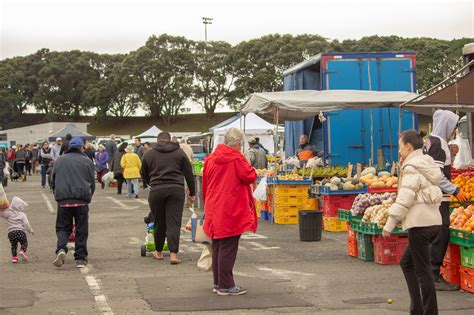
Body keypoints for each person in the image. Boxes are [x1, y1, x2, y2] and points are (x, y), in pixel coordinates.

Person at [383, 130, 442, 315]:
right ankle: (416, 308)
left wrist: (390, 223)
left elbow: (405, 198)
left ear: (409, 146)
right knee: (406, 263)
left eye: (400, 147)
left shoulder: (412, 167)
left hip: (420, 224)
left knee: (423, 272)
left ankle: (429, 311)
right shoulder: (427, 162)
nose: (399, 151)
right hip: (434, 222)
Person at [202, 128, 257, 296]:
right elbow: (250, 176)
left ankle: (218, 282)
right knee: (228, 246)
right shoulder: (236, 158)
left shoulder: (211, 158)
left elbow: (205, 183)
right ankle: (225, 285)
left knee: (218, 245)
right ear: (239, 144)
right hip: (230, 207)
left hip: (214, 205)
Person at [424, 110, 467, 291]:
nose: (453, 131)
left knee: (434, 232)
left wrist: (451, 154)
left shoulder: (430, 141)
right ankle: (433, 274)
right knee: (441, 232)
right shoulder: (438, 144)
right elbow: (437, 175)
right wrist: (455, 189)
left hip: (431, 195)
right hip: (438, 197)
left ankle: (428, 273)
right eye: (453, 127)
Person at [141, 131, 195, 264]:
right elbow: (189, 173)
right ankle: (173, 255)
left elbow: (143, 173)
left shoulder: (149, 154)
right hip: (176, 190)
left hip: (157, 190)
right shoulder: (179, 152)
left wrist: (151, 183)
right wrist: (192, 193)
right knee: (174, 222)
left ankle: (158, 252)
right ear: (170, 140)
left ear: (158, 140)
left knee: (159, 222)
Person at [51, 137, 95, 268]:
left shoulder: (59, 160)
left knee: (63, 227)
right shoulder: (87, 161)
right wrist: (88, 196)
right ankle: (80, 258)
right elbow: (92, 183)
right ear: (82, 147)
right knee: (81, 228)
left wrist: (56, 193)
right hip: (81, 200)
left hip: (64, 200)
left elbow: (52, 180)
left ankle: (61, 249)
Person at [0, 197, 34, 263]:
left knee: (13, 246)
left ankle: (14, 258)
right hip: (20, 232)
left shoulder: (9, 213)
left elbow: (1, 214)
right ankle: (22, 250)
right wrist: (30, 230)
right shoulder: (22, 214)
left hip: (11, 233)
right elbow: (26, 223)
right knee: (24, 243)